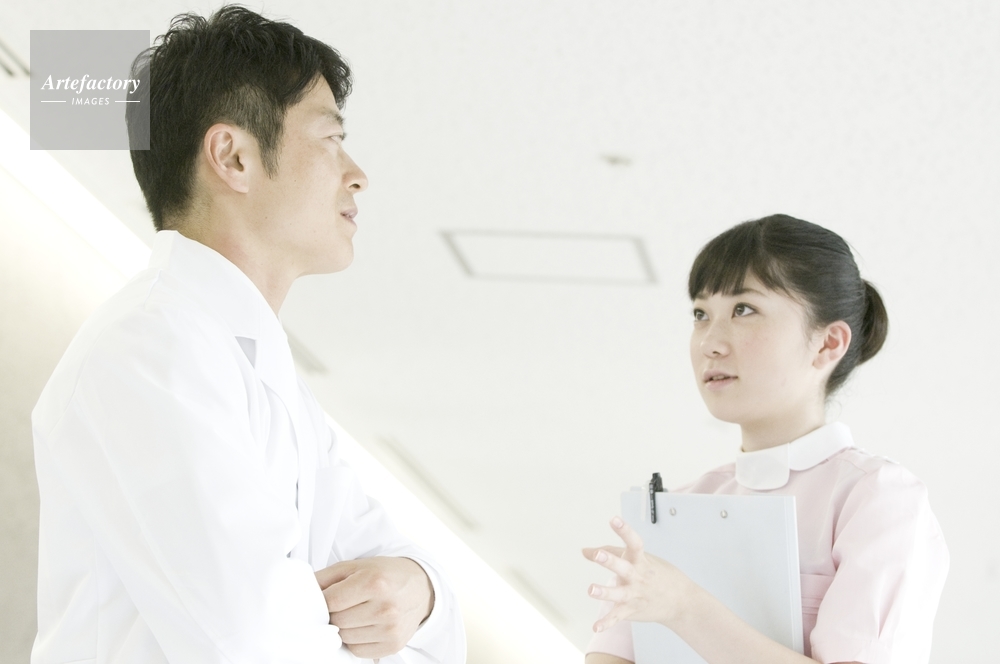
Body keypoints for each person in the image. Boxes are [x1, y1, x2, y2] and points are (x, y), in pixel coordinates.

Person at [31, 6, 464, 663]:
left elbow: (430, 626)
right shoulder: (148, 349)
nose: (357, 174)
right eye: (330, 138)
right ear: (233, 157)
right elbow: (252, 642)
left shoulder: (264, 372)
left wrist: (421, 591)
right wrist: (369, 617)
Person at [582, 214, 948, 664]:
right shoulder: (674, 507)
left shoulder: (877, 497)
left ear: (828, 343)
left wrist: (683, 606)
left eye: (743, 310)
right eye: (700, 314)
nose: (710, 343)